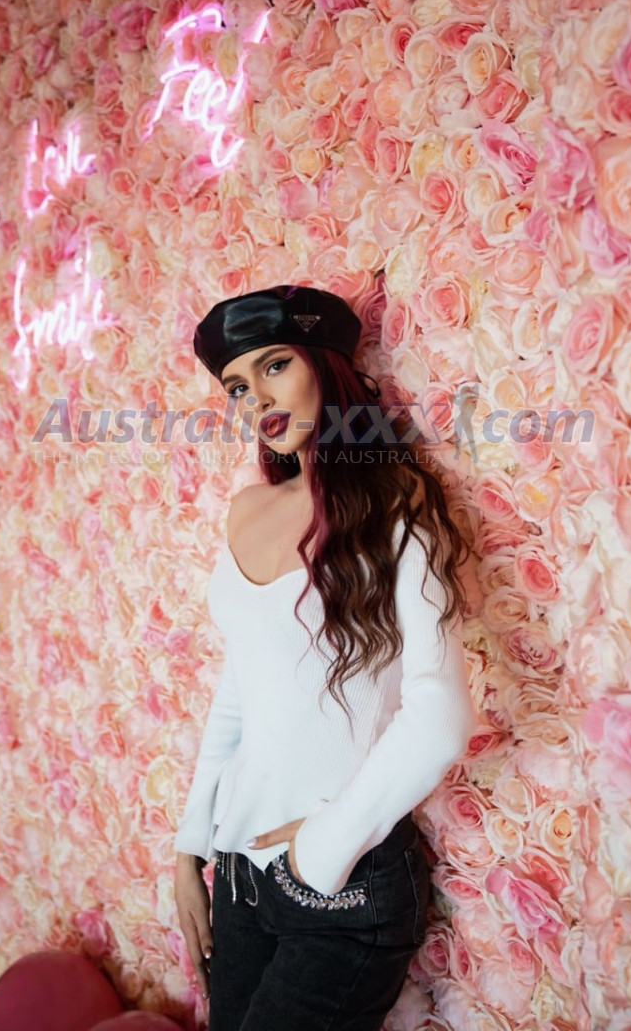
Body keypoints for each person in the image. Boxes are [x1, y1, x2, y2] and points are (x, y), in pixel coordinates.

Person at [173, 283, 477, 1031]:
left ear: (326, 366)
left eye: (274, 365)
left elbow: (438, 715)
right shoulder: (247, 510)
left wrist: (320, 850)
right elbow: (240, 692)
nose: (255, 397)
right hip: (238, 873)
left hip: (343, 883)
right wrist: (190, 849)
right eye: (236, 386)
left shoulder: (395, 504)